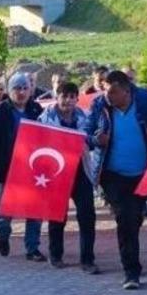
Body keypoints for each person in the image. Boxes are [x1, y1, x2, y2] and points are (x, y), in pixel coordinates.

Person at [84, 70, 147, 290]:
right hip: (112, 175)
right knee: (125, 219)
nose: (107, 96)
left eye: (112, 92)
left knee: (135, 217)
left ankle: (131, 251)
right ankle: (131, 272)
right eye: (105, 90)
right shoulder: (99, 105)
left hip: (142, 174)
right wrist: (96, 139)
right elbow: (85, 132)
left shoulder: (146, 100)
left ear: (126, 91)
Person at [39, 82, 99, 274]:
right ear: (57, 97)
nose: (68, 100)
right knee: (57, 215)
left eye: (72, 97)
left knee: (87, 215)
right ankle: (55, 254)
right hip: (56, 172)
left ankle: (87, 260)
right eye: (64, 96)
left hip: (80, 169)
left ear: (76, 99)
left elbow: (91, 140)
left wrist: (95, 140)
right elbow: (37, 142)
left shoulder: (85, 116)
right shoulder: (45, 118)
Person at [0, 73, 45, 259]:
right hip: (7, 169)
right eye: (17, 88)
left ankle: (32, 248)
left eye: (25, 88)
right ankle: (3, 235)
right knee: (5, 211)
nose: (21, 92)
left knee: (35, 209)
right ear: (10, 90)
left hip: (32, 168)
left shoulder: (36, 109)